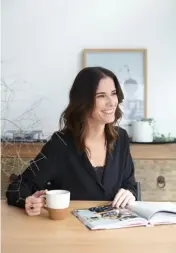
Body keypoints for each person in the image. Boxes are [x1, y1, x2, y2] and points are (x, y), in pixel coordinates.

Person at [6, 66, 137, 216]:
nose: (111, 102)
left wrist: (130, 193)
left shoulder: (121, 139)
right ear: (83, 101)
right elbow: (17, 188)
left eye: (113, 94)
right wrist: (28, 200)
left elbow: (129, 184)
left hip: (114, 230)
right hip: (72, 233)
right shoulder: (60, 144)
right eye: (101, 96)